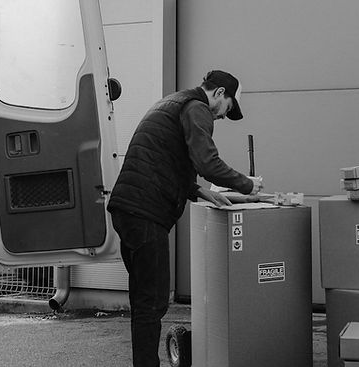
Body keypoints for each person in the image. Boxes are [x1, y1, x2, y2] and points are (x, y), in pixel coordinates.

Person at [106, 69, 264, 367]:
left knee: (144, 299)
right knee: (152, 302)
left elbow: (165, 159)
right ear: (219, 93)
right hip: (145, 212)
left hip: (129, 208)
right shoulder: (197, 109)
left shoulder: (173, 103)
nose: (222, 117)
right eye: (228, 108)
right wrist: (248, 184)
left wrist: (201, 192)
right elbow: (208, 162)